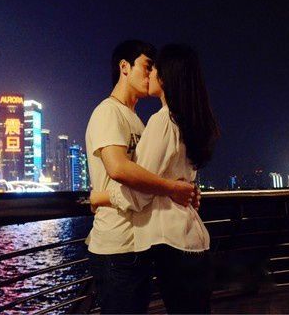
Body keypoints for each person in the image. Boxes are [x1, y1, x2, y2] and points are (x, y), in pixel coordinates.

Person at [90, 43, 220, 313]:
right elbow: (119, 169)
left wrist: (99, 197)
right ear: (124, 67)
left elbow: (149, 180)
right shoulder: (109, 112)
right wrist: (173, 188)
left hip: (145, 244)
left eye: (154, 68)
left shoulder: (149, 121)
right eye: (146, 66)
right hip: (118, 245)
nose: (150, 74)